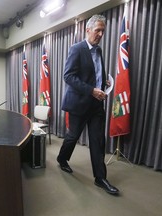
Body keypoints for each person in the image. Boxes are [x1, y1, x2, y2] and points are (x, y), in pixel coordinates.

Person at [57, 14, 119, 195]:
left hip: (96, 106)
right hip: (79, 103)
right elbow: (68, 76)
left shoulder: (98, 51)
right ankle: (62, 158)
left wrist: (102, 83)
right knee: (73, 136)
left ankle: (100, 178)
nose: (100, 34)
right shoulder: (77, 49)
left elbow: (94, 73)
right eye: (97, 30)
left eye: (103, 31)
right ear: (88, 30)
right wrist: (92, 90)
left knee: (98, 141)